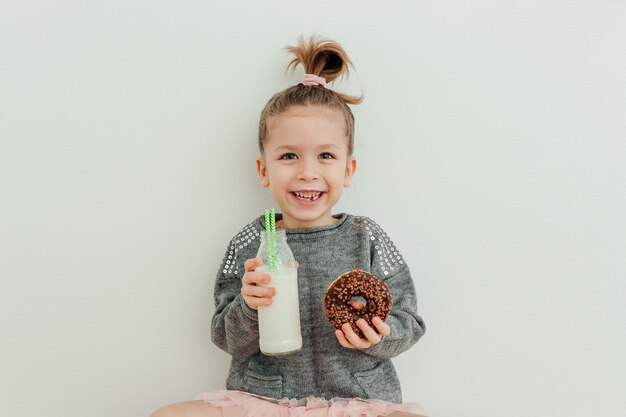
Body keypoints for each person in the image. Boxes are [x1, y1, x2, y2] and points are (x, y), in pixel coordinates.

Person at [151, 35, 427, 417]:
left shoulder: (367, 237)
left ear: (348, 170)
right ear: (264, 169)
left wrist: (381, 334)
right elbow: (225, 336)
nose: (307, 172)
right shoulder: (252, 241)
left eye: (326, 155)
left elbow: (409, 321)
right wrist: (248, 306)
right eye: (289, 156)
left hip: (357, 401)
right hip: (265, 400)